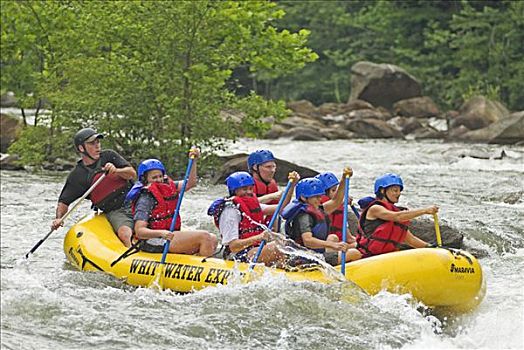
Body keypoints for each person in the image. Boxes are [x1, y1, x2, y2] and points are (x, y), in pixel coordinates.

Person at [51, 127, 136, 247]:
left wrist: (116, 171)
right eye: (92, 143)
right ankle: (131, 254)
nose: (97, 146)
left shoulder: (109, 155)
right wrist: (58, 218)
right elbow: (64, 202)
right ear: (81, 148)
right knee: (124, 234)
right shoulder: (77, 176)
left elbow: (132, 173)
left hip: (135, 199)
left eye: (98, 142)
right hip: (116, 210)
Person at [129, 152, 217, 256]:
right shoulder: (146, 198)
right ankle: (205, 267)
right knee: (205, 237)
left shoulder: (169, 187)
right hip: (152, 240)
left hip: (169, 236)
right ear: (145, 179)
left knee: (213, 238)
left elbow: (190, 183)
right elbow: (140, 231)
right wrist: (161, 233)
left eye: (160, 176)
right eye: (154, 178)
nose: (159, 180)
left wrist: (193, 162)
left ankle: (199, 262)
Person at [207, 171, 299, 266]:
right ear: (234, 191)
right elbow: (233, 246)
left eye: (251, 188)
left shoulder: (252, 204)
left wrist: (292, 186)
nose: (249, 192)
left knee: (285, 242)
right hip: (237, 256)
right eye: (244, 189)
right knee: (278, 248)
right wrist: (258, 237)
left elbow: (281, 208)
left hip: (255, 249)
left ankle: (285, 269)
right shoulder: (230, 211)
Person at [282, 168, 362, 266]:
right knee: (355, 253)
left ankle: (336, 264)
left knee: (333, 237)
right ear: (303, 197)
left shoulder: (318, 209)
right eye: (316, 197)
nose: (320, 199)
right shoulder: (304, 216)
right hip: (305, 258)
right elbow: (308, 241)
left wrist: (344, 179)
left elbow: (336, 201)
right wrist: (334, 245)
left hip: (316, 255)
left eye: (320, 196)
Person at [355, 173, 437, 258]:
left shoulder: (395, 211)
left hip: (386, 257)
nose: (398, 194)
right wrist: (425, 210)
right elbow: (398, 217)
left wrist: (431, 248)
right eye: (395, 190)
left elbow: (411, 240)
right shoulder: (375, 208)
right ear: (383, 191)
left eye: (399, 191)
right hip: (367, 256)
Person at [315, 172, 356, 246]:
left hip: (340, 245)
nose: (337, 193)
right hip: (326, 246)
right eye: (333, 190)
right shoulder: (318, 208)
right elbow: (330, 205)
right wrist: (342, 201)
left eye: (337, 190)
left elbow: (349, 238)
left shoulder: (340, 209)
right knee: (333, 238)